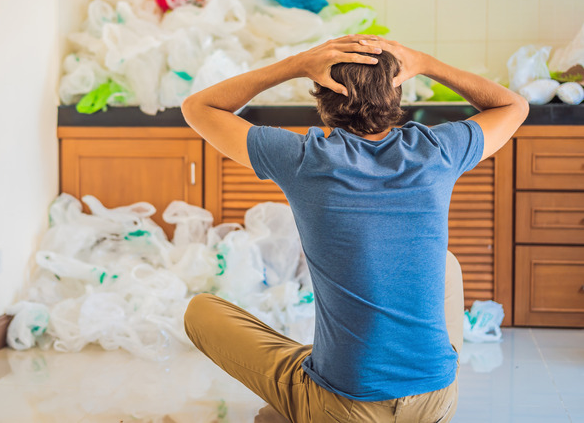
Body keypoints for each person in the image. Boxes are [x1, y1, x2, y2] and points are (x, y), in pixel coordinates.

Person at [180, 34, 528, 423]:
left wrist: (295, 64)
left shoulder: (304, 158)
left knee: (201, 311)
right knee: (444, 264)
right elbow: (513, 105)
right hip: (436, 400)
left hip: (346, 405)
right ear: (396, 95)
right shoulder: (437, 151)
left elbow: (198, 106)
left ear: (321, 98)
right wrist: (427, 62)